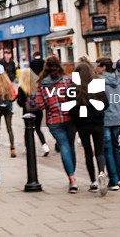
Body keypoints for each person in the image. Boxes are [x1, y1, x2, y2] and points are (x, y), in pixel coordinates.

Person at [35, 55, 79, 193]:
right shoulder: (67, 80)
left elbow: (40, 105)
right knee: (70, 146)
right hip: (70, 117)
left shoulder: (42, 84)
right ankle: (72, 174)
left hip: (54, 120)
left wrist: (50, 104)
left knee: (64, 146)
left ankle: (72, 179)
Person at [70, 61, 109, 195]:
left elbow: (70, 108)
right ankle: (101, 172)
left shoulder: (74, 87)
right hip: (98, 122)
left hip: (82, 124)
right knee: (100, 151)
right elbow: (106, 103)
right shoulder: (97, 84)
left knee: (88, 152)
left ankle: (93, 182)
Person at [97, 57, 120, 191]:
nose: (96, 68)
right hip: (117, 118)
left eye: (98, 66)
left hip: (105, 119)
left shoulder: (99, 82)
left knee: (107, 148)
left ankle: (113, 181)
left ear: (104, 67)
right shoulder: (119, 80)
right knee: (116, 147)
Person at [16, 67, 49, 156]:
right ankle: (45, 146)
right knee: (38, 129)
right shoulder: (37, 85)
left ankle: (27, 147)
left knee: (28, 130)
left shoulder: (22, 87)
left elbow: (20, 102)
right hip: (38, 111)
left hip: (28, 112)